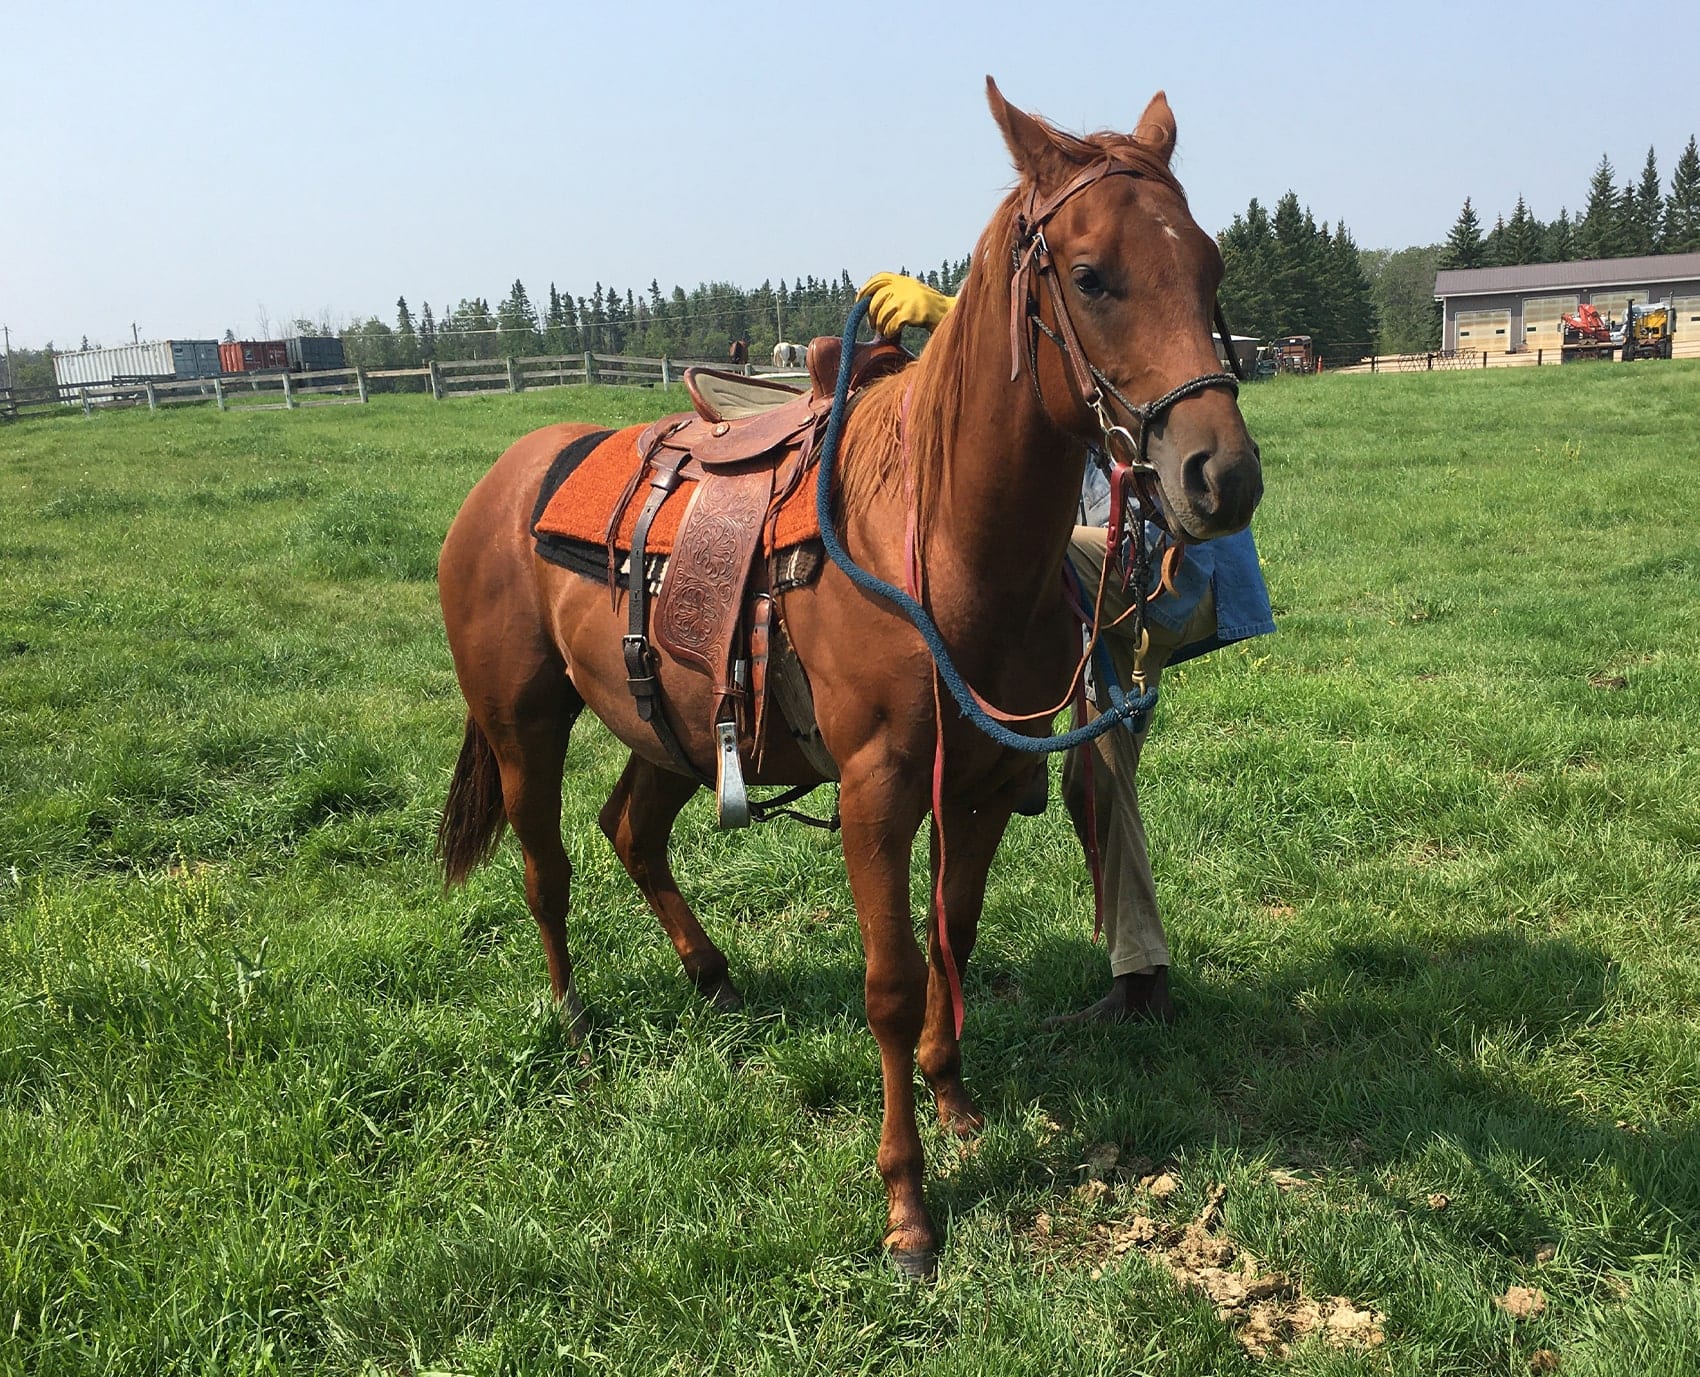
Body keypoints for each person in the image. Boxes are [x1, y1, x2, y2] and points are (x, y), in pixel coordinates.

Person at [857, 272, 1275, 1024]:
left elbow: (1063, 357)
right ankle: (1141, 976)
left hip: (1152, 562)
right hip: (1118, 565)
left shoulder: (1115, 322)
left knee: (990, 567)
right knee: (1099, 768)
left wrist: (951, 317)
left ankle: (1008, 739)